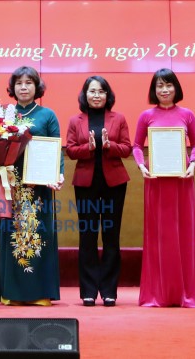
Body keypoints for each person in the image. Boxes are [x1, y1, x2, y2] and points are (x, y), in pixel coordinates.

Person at [131, 68, 195, 307]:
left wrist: (193, 163)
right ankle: (158, 294)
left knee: (183, 233)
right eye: (159, 86)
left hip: (182, 179)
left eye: (168, 85)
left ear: (176, 88)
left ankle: (185, 294)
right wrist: (142, 166)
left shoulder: (187, 114)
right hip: (156, 181)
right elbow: (135, 146)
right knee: (158, 236)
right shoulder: (146, 116)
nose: (164, 90)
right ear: (154, 90)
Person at [0, 66, 64, 306]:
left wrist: (58, 174)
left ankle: (39, 292)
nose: (23, 87)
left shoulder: (47, 115)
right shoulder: (4, 114)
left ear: (37, 86)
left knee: (38, 233)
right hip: (11, 183)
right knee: (12, 234)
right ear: (12, 87)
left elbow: (56, 148)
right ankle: (10, 292)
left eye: (29, 82)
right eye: (19, 83)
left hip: (40, 185)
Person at [64, 75, 131, 307]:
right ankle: (89, 291)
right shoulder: (76, 120)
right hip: (86, 185)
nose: (96, 95)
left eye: (101, 91)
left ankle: (110, 290)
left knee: (111, 237)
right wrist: (89, 148)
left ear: (107, 95)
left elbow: (126, 149)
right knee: (88, 236)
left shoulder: (118, 118)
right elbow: (70, 150)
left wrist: (108, 145)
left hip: (115, 184)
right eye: (92, 91)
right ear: (85, 95)